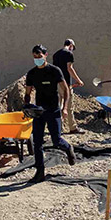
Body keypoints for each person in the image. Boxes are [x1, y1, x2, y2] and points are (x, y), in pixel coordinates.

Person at [25, 44, 76, 183]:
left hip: (53, 110)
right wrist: (27, 106)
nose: (37, 59)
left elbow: (65, 90)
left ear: (45, 55)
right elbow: (28, 93)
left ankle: (68, 148)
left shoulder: (54, 71)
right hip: (39, 112)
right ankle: (40, 171)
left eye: (39, 56)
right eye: (35, 57)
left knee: (56, 140)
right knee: (37, 142)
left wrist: (64, 108)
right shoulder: (32, 73)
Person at [53, 39, 84, 134]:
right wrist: (78, 80)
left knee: (58, 106)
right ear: (71, 45)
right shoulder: (69, 54)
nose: (72, 50)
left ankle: (57, 128)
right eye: (73, 48)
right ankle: (73, 128)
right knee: (69, 106)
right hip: (66, 84)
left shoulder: (56, 54)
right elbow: (69, 68)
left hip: (57, 83)